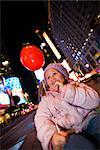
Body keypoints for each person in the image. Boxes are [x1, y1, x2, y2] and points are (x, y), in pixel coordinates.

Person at [34, 63, 100, 150]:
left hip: (89, 121)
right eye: (48, 77)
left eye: (55, 74)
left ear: (64, 76)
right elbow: (41, 119)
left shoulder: (76, 86)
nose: (52, 79)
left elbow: (94, 101)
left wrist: (68, 92)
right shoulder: (46, 100)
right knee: (76, 144)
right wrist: (51, 136)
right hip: (68, 132)